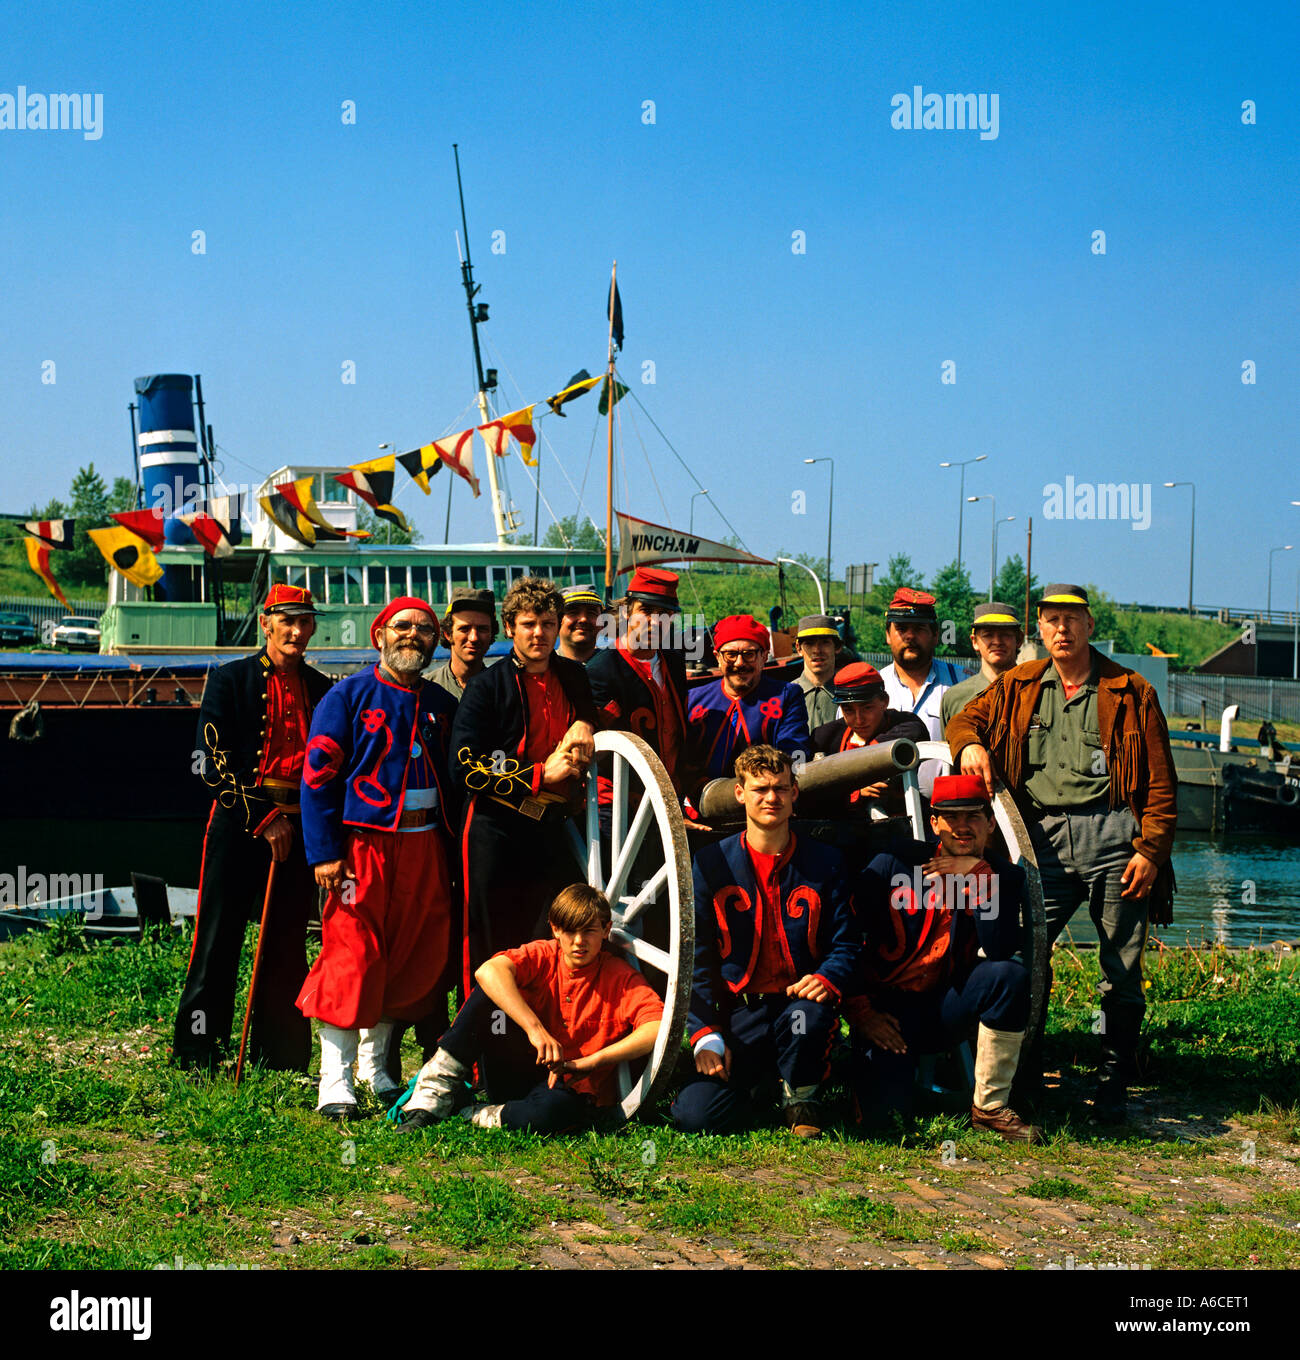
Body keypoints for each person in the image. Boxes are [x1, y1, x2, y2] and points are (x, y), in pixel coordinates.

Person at [946, 584, 1177, 1122]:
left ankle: (1114, 1085)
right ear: (1040, 630)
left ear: (1090, 626)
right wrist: (970, 745)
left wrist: (1151, 850)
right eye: (1051, 621)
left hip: (1115, 838)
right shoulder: (1020, 684)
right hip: (1040, 838)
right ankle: (1022, 1078)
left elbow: (1162, 784)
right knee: (1028, 957)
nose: (1061, 630)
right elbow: (963, 721)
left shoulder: (1130, 689)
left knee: (1120, 968)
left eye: (1072, 620)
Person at [296, 596, 460, 1118]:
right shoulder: (345, 696)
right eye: (402, 626)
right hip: (362, 848)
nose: (413, 634)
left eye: (425, 628)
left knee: (408, 955)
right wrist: (324, 852)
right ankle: (334, 1081)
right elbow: (318, 775)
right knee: (351, 956)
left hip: (426, 845)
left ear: (437, 641)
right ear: (380, 636)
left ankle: (375, 1068)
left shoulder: (442, 704)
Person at [172, 584, 333, 1075]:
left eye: (305, 621)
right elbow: (208, 762)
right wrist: (263, 819)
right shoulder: (230, 680)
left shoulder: (324, 687)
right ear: (266, 623)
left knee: (286, 944)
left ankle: (279, 1057)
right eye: (287, 620)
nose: (297, 631)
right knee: (217, 939)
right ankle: (198, 1052)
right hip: (242, 824)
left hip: (301, 829)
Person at [672, 745, 860, 1138]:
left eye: (780, 788)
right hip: (738, 1014)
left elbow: (847, 943)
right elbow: (697, 959)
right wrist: (705, 1033)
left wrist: (827, 978)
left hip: (797, 1008)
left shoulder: (825, 861)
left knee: (806, 1017)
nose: (771, 798)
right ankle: (759, 1088)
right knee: (696, 1117)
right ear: (740, 793)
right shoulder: (710, 864)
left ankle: (802, 1096)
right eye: (759, 789)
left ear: (794, 793)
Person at [846, 774, 1038, 1142]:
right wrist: (861, 1011)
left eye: (974, 817)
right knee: (885, 1122)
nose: (963, 827)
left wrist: (980, 876)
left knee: (1007, 976)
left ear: (990, 822)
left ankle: (990, 1107)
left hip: (948, 1007)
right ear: (934, 823)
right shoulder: (894, 864)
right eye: (952, 818)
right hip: (886, 1012)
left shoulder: (1002, 876)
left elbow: (999, 948)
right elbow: (846, 938)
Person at [395, 884, 663, 1133]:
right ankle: (433, 1092)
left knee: (557, 1112)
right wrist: (535, 1029)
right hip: (517, 1062)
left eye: (589, 931)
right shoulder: (544, 954)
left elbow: (656, 1026)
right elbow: (489, 971)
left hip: (565, 1085)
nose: (579, 941)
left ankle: (475, 1113)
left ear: (606, 930)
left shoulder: (619, 976)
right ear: (556, 930)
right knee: (490, 993)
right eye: (570, 931)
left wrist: (594, 1061)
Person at [451, 576, 598, 997]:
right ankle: (479, 1052)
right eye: (530, 624)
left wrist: (585, 723)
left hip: (551, 826)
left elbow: (591, 714)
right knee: (489, 938)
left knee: (548, 932)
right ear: (511, 627)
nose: (540, 634)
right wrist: (538, 776)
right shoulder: (486, 686)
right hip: (494, 827)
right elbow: (463, 764)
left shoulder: (573, 675)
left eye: (549, 623)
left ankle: (535, 1041)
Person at [587, 566, 689, 792]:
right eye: (646, 610)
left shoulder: (674, 662)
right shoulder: (600, 670)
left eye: (664, 613)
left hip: (676, 791)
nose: (655, 621)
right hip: (624, 799)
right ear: (625, 612)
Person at [686, 614, 810, 788]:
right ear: (718, 657)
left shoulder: (787, 695)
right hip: (700, 802)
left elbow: (796, 752)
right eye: (730, 654)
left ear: (764, 657)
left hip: (767, 797)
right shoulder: (693, 699)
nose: (739, 663)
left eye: (749, 654)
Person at [878, 588, 966, 795]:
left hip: (949, 808)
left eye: (919, 628)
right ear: (888, 635)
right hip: (885, 810)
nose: (910, 635)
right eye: (901, 628)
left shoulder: (962, 683)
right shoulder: (872, 686)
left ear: (935, 635)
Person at [810, 662, 928, 810]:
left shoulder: (906, 725)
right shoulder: (824, 737)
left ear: (884, 702)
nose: (859, 719)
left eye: (867, 708)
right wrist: (854, 792)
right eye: (849, 710)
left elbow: (911, 734)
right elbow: (810, 793)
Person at [939, 601, 1026, 729]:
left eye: (1005, 634)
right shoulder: (954, 698)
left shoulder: (1035, 692)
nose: (997, 642)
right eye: (988, 635)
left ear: (1018, 640)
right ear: (974, 642)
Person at [428, 586, 497, 701]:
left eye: (482, 629)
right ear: (448, 633)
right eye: (464, 629)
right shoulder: (426, 690)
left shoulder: (505, 691)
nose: (474, 638)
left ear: (491, 634)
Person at [790, 614, 844, 732]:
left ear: (837, 646)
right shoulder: (786, 698)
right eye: (809, 643)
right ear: (799, 648)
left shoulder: (849, 695)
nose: (817, 650)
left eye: (825, 642)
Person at [555, 583, 605, 664]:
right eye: (573, 612)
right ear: (556, 621)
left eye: (591, 613)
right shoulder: (542, 668)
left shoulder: (616, 668)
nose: (583, 619)